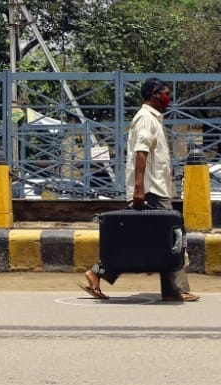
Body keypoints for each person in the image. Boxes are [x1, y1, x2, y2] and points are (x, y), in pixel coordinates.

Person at [80, 77, 198, 302]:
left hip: (154, 188)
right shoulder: (146, 119)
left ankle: (97, 273)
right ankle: (175, 289)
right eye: (165, 93)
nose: (168, 98)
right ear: (154, 94)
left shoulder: (152, 118)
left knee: (136, 240)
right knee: (174, 238)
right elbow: (141, 153)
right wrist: (139, 189)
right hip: (152, 190)